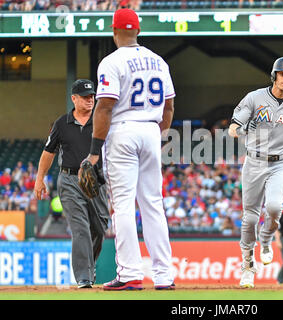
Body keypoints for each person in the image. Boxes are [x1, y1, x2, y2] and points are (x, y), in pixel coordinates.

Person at [81, 8, 176, 291]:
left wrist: (95, 152)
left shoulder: (111, 61)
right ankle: (164, 275)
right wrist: (157, 136)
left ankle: (130, 273)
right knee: (153, 205)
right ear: (138, 31)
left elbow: (105, 107)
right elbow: (169, 106)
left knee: (122, 205)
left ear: (114, 32)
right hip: (151, 128)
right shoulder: (158, 61)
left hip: (123, 130)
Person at [228, 57, 283, 288]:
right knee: (249, 217)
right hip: (255, 161)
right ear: (274, 75)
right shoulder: (254, 97)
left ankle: (266, 239)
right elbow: (232, 128)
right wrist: (242, 128)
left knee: (275, 207)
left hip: (281, 163)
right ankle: (248, 266)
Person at [34, 79, 110, 289]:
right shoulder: (61, 123)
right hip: (69, 180)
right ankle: (84, 277)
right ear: (73, 98)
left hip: (96, 180)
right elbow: (48, 153)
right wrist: (40, 179)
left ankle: (90, 265)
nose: (90, 99)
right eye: (85, 96)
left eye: (92, 96)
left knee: (99, 227)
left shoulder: (101, 120)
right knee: (80, 228)